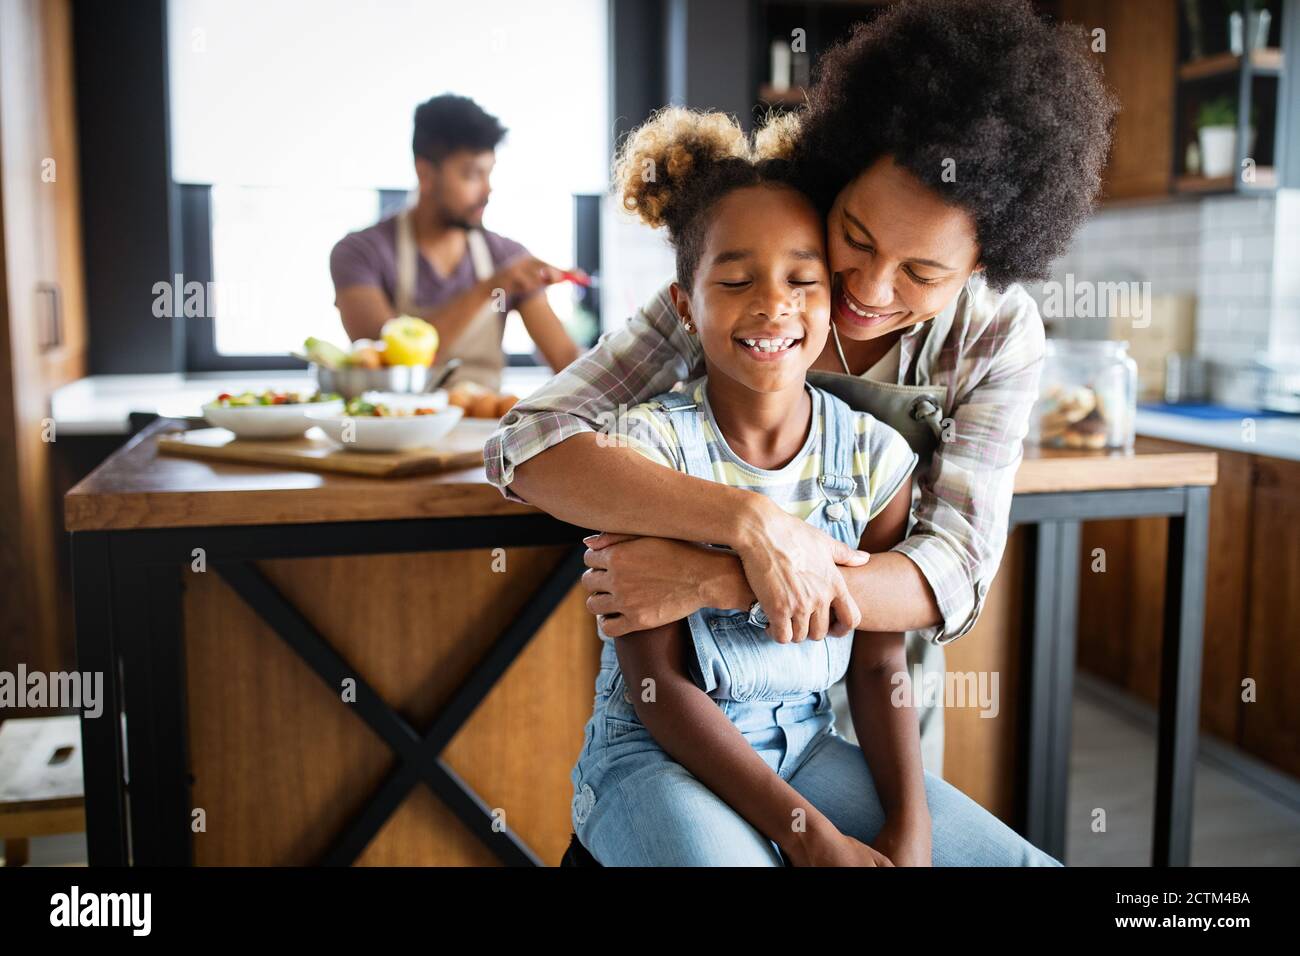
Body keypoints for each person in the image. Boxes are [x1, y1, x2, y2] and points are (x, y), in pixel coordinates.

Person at [486, 0, 1116, 777]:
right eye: (855, 236)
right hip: (713, 708)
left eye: (923, 274)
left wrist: (721, 576)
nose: (870, 288)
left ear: (985, 265)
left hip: (879, 704)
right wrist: (751, 523)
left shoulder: (994, 334)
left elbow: (952, 568)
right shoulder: (761, 268)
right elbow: (530, 444)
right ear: (838, 176)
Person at [571, 106, 1058, 865]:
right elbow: (657, 688)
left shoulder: (876, 455)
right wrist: (814, 838)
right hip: (656, 756)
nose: (774, 304)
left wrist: (911, 829)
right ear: (685, 308)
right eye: (855, 247)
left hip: (808, 743)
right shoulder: (652, 448)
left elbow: (890, 647)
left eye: (921, 272)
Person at [329, 93, 582, 390]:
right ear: (425, 174)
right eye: (472, 175)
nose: (487, 191)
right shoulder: (360, 254)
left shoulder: (506, 258)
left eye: (489, 173)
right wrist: (490, 288)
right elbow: (385, 363)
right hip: (394, 429)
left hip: (488, 431)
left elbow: (567, 362)